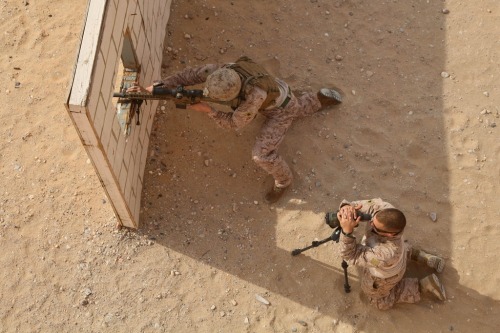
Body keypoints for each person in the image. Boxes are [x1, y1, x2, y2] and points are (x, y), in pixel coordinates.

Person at [127, 56, 342, 203]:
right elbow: (186, 77)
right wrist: (154, 89)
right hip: (275, 89)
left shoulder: (253, 98)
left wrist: (208, 110)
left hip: (279, 107)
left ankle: (284, 180)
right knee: (285, 105)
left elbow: (234, 123)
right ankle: (316, 98)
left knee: (262, 154)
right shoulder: (221, 72)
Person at [336, 198, 446, 310]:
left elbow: (350, 255)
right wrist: (346, 207)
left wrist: (346, 232)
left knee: (379, 301)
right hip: (400, 253)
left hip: (387, 273)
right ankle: (419, 256)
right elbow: (365, 206)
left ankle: (423, 286)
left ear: (389, 235)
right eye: (372, 219)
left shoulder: (386, 254)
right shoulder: (384, 209)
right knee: (404, 250)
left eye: (374, 227)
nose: (370, 223)